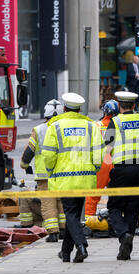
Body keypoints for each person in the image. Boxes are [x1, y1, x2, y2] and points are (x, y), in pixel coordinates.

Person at [42, 93, 105, 263]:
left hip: (65, 179)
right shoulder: (91, 126)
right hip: (85, 179)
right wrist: (94, 169)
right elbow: (100, 153)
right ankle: (66, 252)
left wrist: (50, 170)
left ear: (64, 108)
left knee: (70, 213)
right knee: (74, 215)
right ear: (79, 109)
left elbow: (48, 154)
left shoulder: (55, 126)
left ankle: (81, 245)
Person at [104, 91, 139, 260]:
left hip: (121, 170)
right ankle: (126, 246)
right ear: (134, 105)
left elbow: (107, 149)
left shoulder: (115, 121)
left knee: (113, 207)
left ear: (119, 105)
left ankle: (123, 235)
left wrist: (106, 173)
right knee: (133, 208)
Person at [18, 99, 66, 242]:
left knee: (48, 203)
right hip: (62, 174)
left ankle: (53, 233)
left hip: (44, 175)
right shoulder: (65, 128)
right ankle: (64, 229)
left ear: (46, 114)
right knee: (61, 203)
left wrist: (24, 165)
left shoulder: (39, 130)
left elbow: (29, 152)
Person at [84, 100, 119, 219]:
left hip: (101, 163)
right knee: (119, 196)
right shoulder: (120, 124)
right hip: (117, 162)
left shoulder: (96, 125)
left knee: (93, 196)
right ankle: (120, 221)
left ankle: (88, 220)